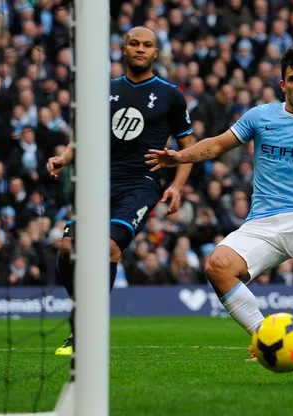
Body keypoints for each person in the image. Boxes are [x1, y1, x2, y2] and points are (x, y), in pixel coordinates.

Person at [145, 48, 293, 359]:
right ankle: (264, 337)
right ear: (282, 84)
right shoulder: (261, 116)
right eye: (292, 79)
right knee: (217, 267)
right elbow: (217, 144)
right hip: (262, 221)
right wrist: (181, 156)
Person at [47, 26, 194, 356]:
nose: (140, 49)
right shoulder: (104, 91)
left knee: (109, 247)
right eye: (134, 43)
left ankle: (87, 331)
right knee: (69, 249)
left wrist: (176, 186)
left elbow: (189, 146)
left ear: (156, 53)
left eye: (147, 45)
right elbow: (82, 136)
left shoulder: (171, 95)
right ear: (123, 49)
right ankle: (83, 315)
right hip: (98, 184)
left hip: (141, 185)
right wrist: (64, 157)